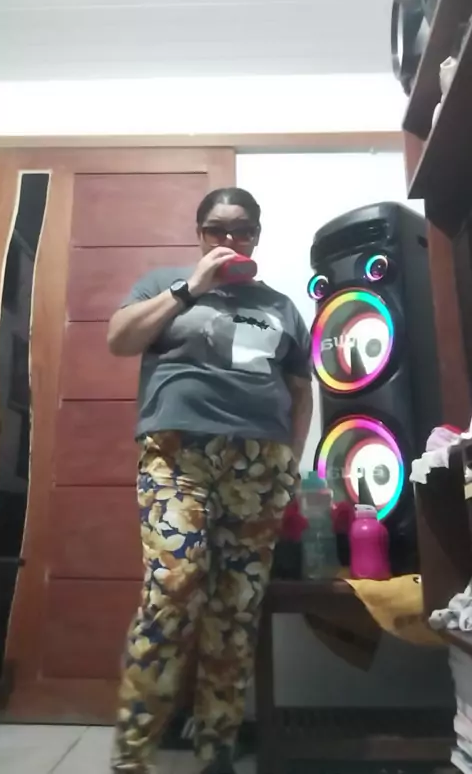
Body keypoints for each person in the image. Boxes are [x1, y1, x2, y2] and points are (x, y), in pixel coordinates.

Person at [107, 187, 313, 774]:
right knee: (174, 587)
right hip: (178, 457)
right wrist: (189, 288)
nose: (229, 240)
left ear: (257, 236)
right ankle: (133, 756)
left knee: (236, 607)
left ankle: (216, 750)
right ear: (199, 233)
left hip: (260, 463)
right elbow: (120, 340)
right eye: (217, 229)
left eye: (242, 229)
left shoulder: (281, 307)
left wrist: (290, 465)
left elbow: (300, 392)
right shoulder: (163, 285)